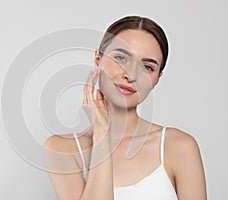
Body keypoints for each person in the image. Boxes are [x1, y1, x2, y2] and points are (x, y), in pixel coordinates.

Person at [43, 15, 207, 200]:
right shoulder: (63, 149)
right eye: (121, 58)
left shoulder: (179, 146)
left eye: (147, 67)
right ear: (98, 59)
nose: (130, 75)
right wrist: (102, 137)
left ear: (157, 80)